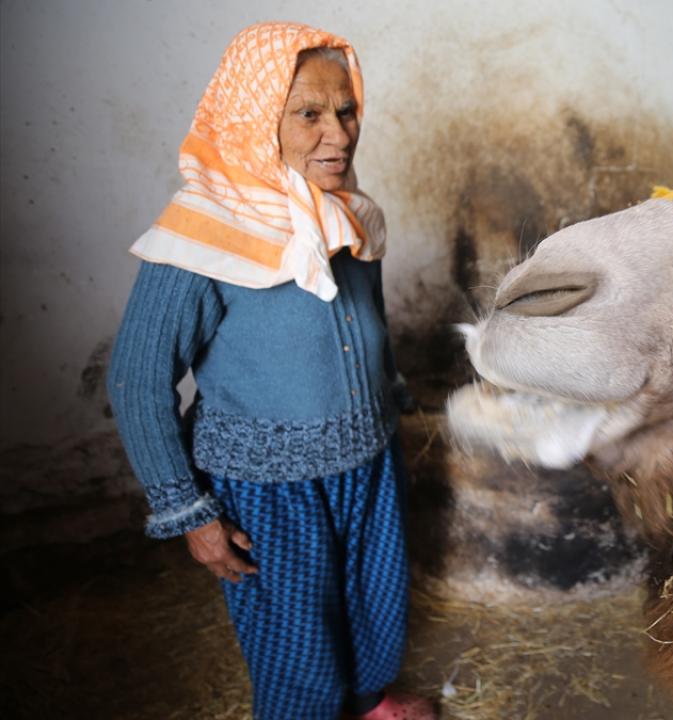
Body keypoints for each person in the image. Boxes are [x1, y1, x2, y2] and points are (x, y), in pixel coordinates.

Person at [107, 22, 435, 720]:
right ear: (255, 119)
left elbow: (370, 323)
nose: (339, 134)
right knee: (297, 646)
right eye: (309, 114)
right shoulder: (199, 236)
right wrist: (188, 512)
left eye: (346, 109)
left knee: (374, 605)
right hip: (269, 489)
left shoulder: (348, 215)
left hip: (367, 463)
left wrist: (392, 398)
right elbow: (136, 381)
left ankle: (369, 702)